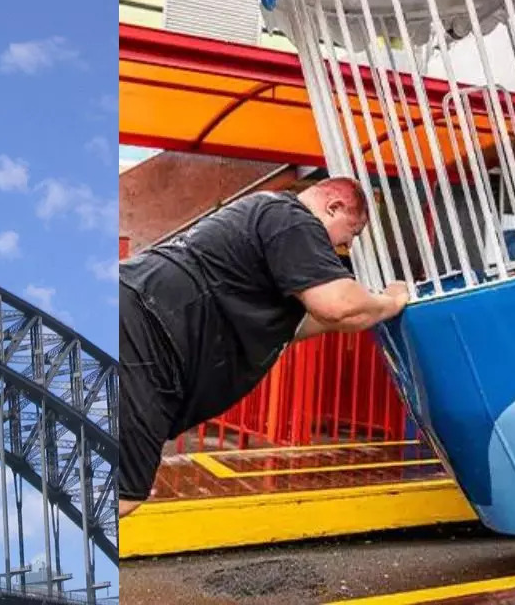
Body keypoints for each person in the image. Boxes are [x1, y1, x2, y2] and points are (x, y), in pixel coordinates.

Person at [117, 177, 410, 518]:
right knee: (123, 490)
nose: (345, 248)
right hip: (144, 334)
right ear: (334, 207)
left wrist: (367, 309)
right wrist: (391, 301)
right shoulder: (291, 217)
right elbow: (336, 304)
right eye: (351, 234)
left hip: (138, 323)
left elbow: (311, 322)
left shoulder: (267, 227)